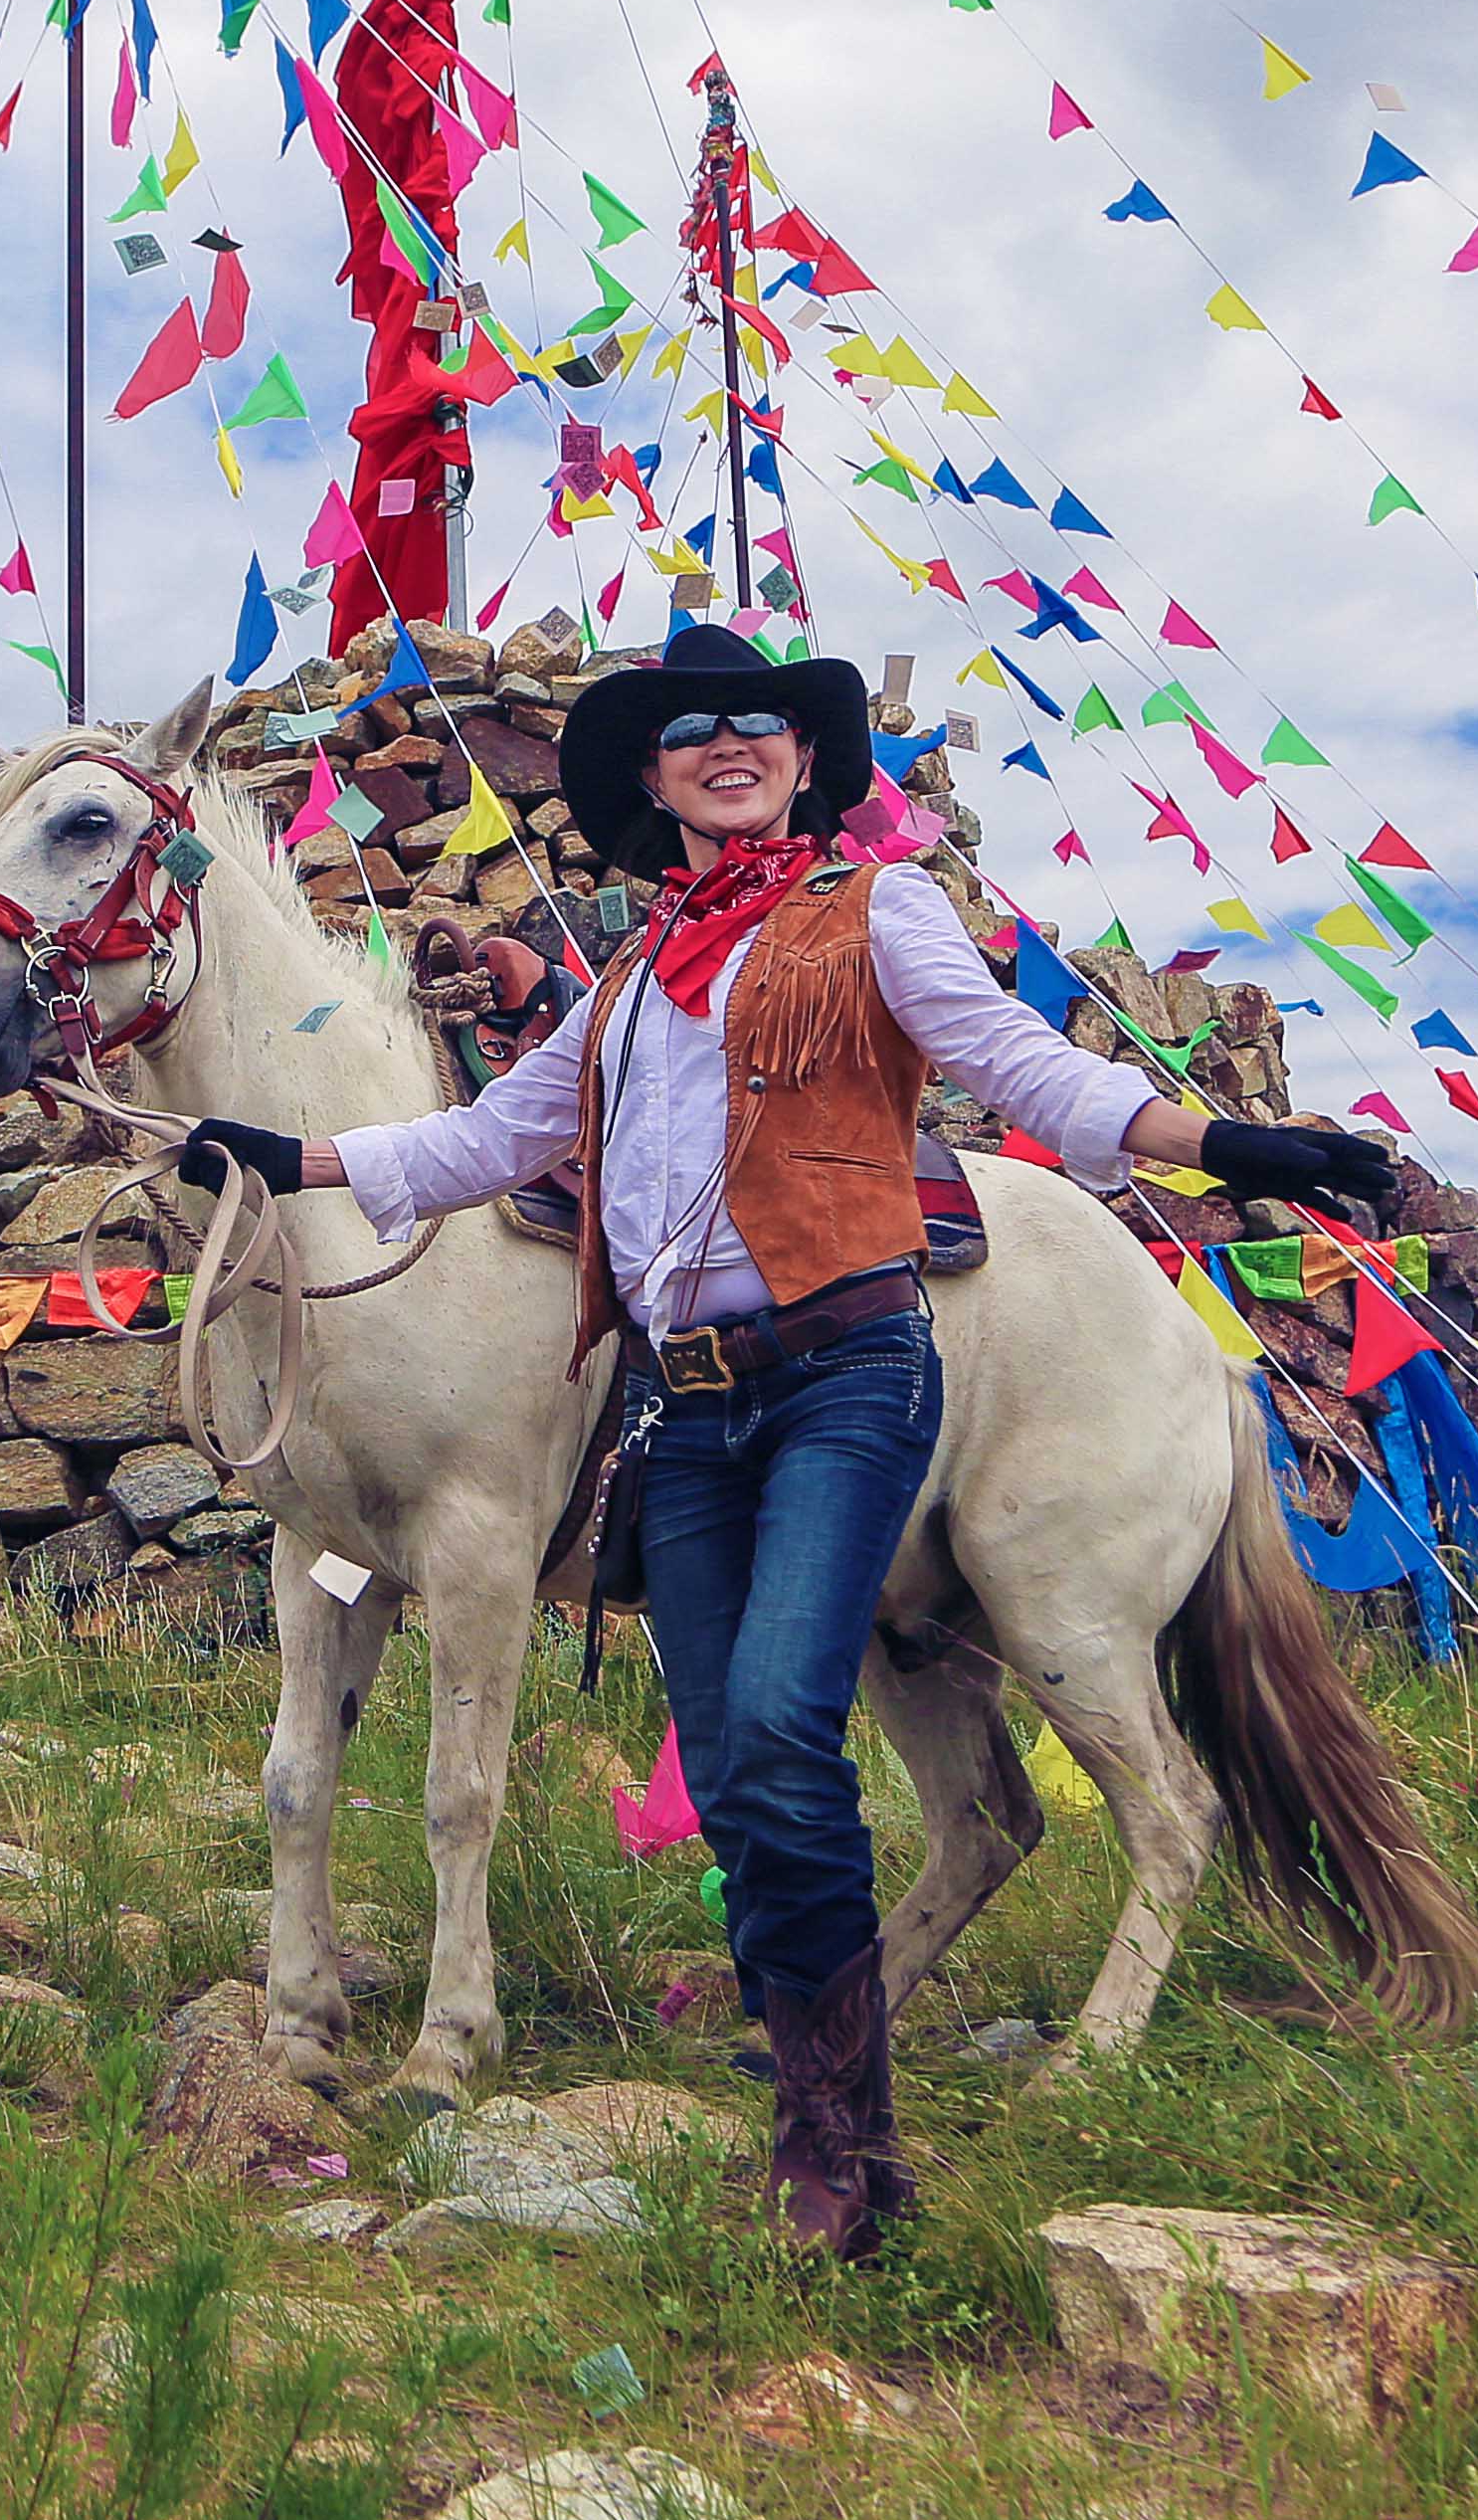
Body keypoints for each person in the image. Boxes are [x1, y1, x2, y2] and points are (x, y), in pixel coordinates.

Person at [159, 621, 1391, 2257]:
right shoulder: (620, 992)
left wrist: (1222, 1140)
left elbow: (1018, 1067)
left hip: (848, 1369)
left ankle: (838, 2144)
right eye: (691, 732)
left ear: (804, 760)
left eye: (756, 722)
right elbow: (476, 1143)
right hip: (690, 1392)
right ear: (659, 782)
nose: (726, 743)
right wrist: (279, 1157)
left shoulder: (880, 914)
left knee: (778, 1723)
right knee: (740, 1769)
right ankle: (828, 2076)